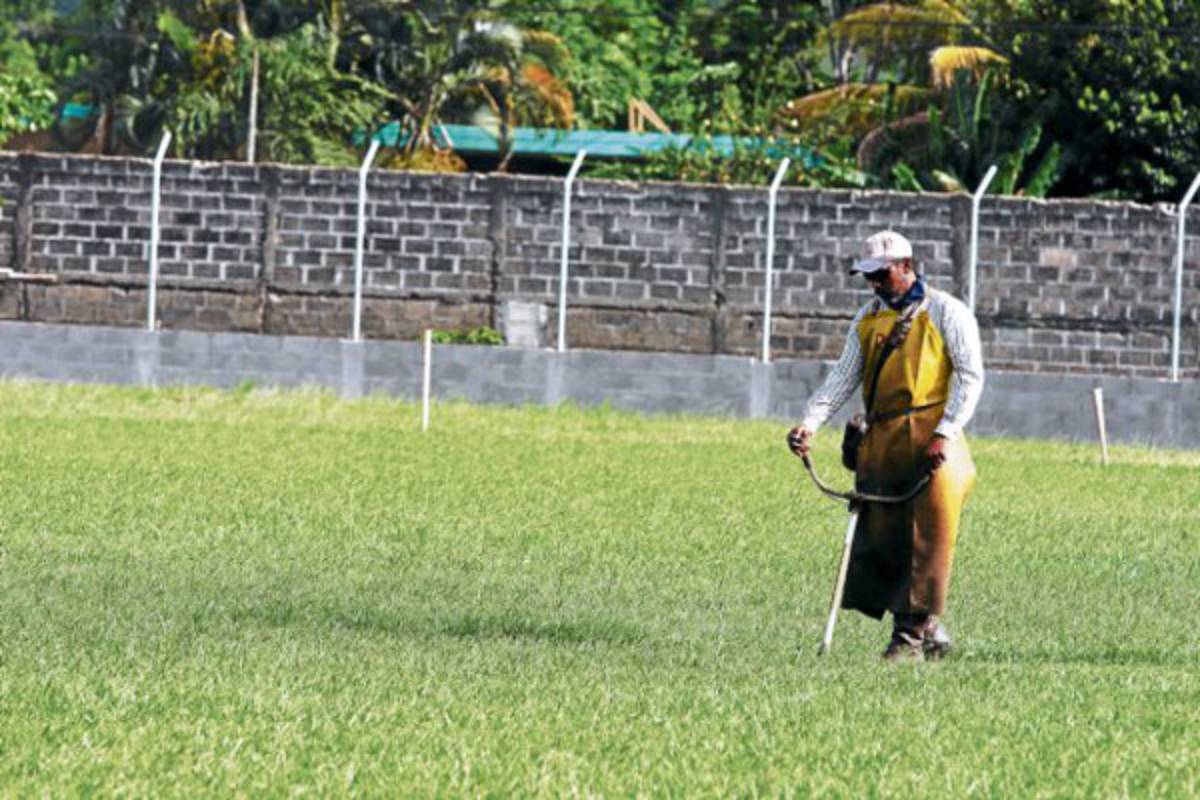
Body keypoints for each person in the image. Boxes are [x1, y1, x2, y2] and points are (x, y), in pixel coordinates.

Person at [786, 230, 984, 662]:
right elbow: (843, 377)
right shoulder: (867, 318)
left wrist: (945, 431)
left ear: (906, 266)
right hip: (882, 440)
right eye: (868, 276)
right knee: (886, 537)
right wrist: (810, 423)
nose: (873, 284)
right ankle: (928, 627)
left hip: (934, 441)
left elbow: (970, 376)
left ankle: (908, 640)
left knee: (926, 538)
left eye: (881, 274)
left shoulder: (946, 312)